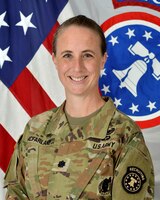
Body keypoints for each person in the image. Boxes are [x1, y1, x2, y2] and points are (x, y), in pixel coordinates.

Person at [4, 15, 154, 200]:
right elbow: (15, 193)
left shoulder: (125, 136)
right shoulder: (34, 130)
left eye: (87, 55)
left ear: (103, 60)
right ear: (55, 60)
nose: (77, 67)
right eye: (67, 55)